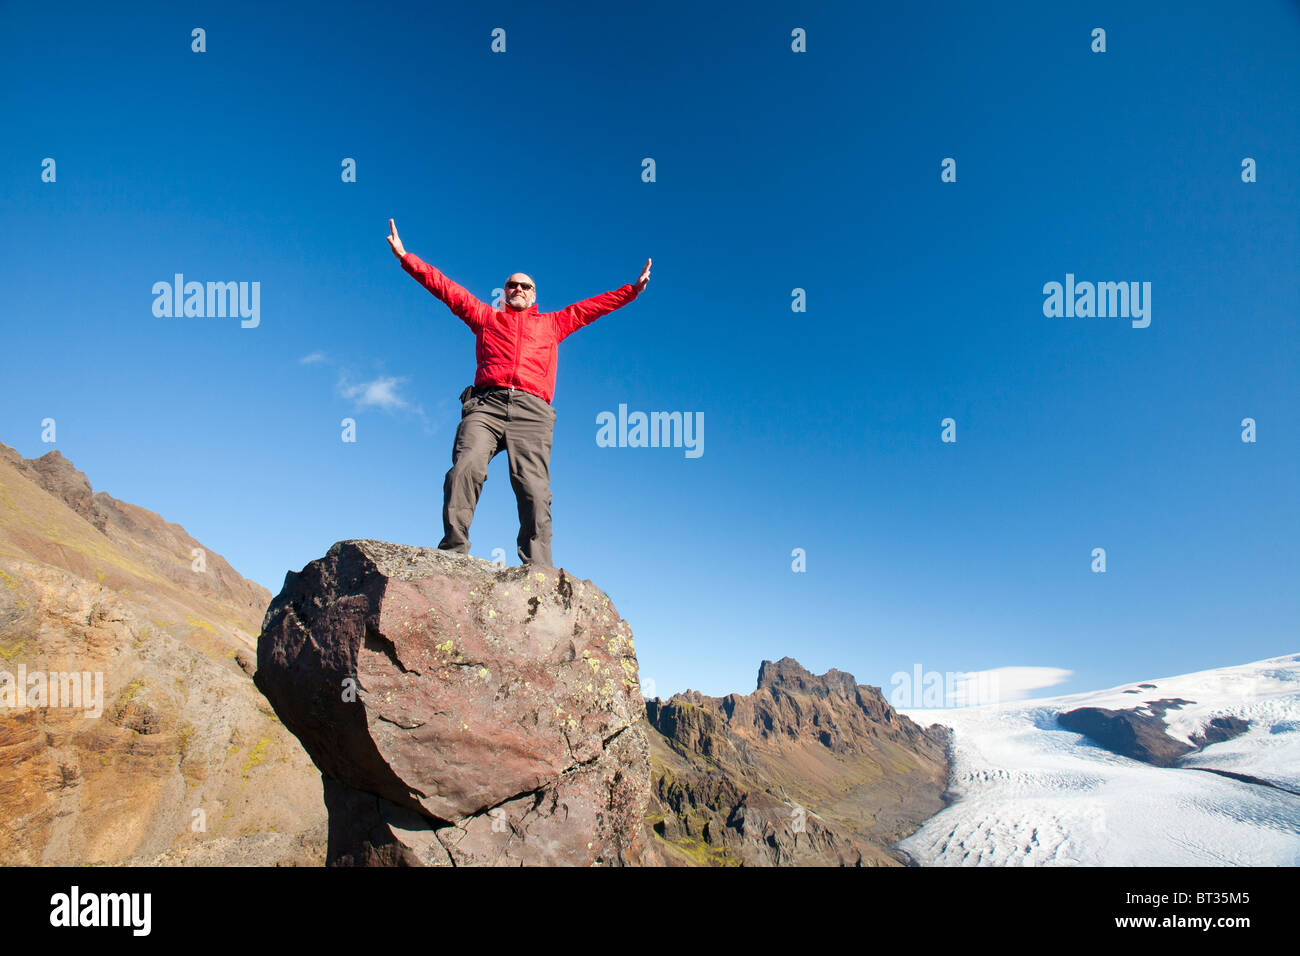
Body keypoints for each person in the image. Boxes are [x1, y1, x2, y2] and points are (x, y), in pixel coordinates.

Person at [387, 218, 651, 566]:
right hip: (486, 405)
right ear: (505, 290)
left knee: (534, 491)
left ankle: (538, 569)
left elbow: (591, 308)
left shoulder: (554, 323)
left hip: (532, 411)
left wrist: (630, 291)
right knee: (465, 469)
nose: (519, 290)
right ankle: (452, 553)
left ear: (534, 294)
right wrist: (407, 258)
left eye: (526, 286)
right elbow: (446, 289)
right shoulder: (485, 317)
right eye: (513, 285)